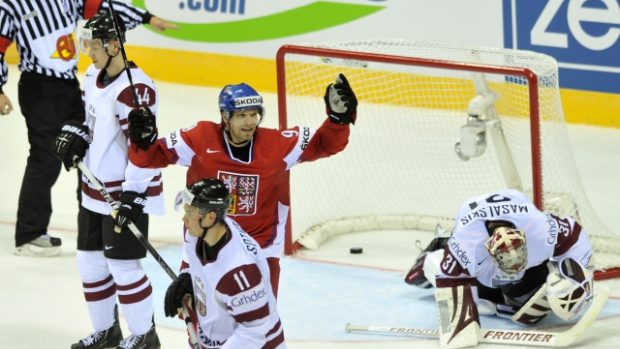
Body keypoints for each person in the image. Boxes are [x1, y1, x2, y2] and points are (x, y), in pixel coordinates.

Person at [127, 73, 358, 297]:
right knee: (198, 325)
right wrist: (143, 141)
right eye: (241, 115)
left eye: (254, 115)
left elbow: (323, 145)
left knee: (258, 327)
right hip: (203, 244)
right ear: (225, 117)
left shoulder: (278, 145)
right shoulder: (199, 138)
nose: (249, 122)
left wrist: (338, 121)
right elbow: (150, 158)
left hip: (259, 250)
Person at [0, 0, 176, 257]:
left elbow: (104, 7)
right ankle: (30, 233)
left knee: (85, 150)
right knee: (45, 156)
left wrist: (147, 18)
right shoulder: (11, 5)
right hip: (38, 87)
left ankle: (95, 224)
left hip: (69, 85)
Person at [51, 11, 164, 349]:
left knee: (124, 266)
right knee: (89, 262)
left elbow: (143, 151)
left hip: (123, 194)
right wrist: (75, 138)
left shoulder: (137, 91)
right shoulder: (91, 74)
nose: (88, 51)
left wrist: (134, 195)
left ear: (115, 46)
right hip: (92, 188)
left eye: (94, 45)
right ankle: (107, 330)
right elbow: (89, 122)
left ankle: (145, 335)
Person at [404, 189, 595, 349]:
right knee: (483, 304)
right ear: (490, 251)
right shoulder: (467, 246)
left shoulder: (540, 229)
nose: (515, 269)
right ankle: (434, 253)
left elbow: (574, 234)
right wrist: (459, 327)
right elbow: (449, 277)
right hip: (473, 234)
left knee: (520, 299)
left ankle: (510, 291)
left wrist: (581, 276)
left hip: (515, 209)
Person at [164, 178, 285, 349]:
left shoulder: (240, 272)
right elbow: (201, 267)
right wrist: (186, 277)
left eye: (189, 213)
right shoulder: (201, 232)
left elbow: (255, 333)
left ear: (210, 217)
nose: (184, 219)